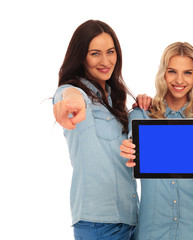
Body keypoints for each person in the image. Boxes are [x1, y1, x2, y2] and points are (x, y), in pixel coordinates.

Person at [120, 42, 193, 240]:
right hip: (154, 229)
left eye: (187, 72)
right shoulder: (141, 114)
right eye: (172, 72)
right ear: (163, 74)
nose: (179, 80)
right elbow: (134, 140)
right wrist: (130, 148)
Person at [53, 20, 142, 240]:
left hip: (130, 219)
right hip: (99, 224)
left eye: (110, 52)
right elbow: (67, 96)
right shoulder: (74, 92)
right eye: (95, 53)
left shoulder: (114, 100)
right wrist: (70, 104)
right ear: (81, 56)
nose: (105, 61)